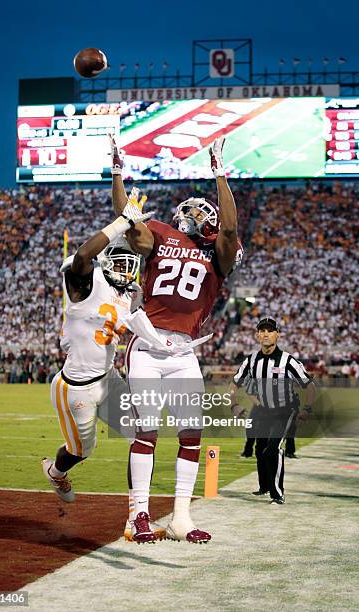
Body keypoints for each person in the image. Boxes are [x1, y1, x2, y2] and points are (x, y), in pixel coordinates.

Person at [109, 134, 242, 543]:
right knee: (146, 430)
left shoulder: (218, 254)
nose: (202, 216)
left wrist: (219, 171)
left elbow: (231, 227)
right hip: (148, 345)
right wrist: (117, 173)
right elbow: (126, 219)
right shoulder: (162, 234)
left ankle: (181, 517)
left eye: (208, 213)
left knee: (191, 434)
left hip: (184, 351)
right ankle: (139, 516)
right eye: (197, 211)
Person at [42, 193, 154, 504]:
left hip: (108, 380)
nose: (127, 269)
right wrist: (123, 222)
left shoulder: (128, 294)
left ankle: (137, 510)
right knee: (81, 451)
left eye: (130, 263)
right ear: (104, 263)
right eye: (120, 261)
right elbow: (81, 256)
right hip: (76, 387)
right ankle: (55, 473)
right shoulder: (85, 284)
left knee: (143, 435)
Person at [229, 317, 316, 504]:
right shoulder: (251, 361)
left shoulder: (288, 361)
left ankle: (277, 494)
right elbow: (234, 384)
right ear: (257, 335)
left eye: (270, 330)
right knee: (260, 449)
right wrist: (234, 404)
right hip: (263, 410)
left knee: (273, 448)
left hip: (285, 410)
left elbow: (309, 385)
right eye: (262, 330)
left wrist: (307, 409)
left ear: (278, 334)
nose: (266, 334)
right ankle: (264, 486)